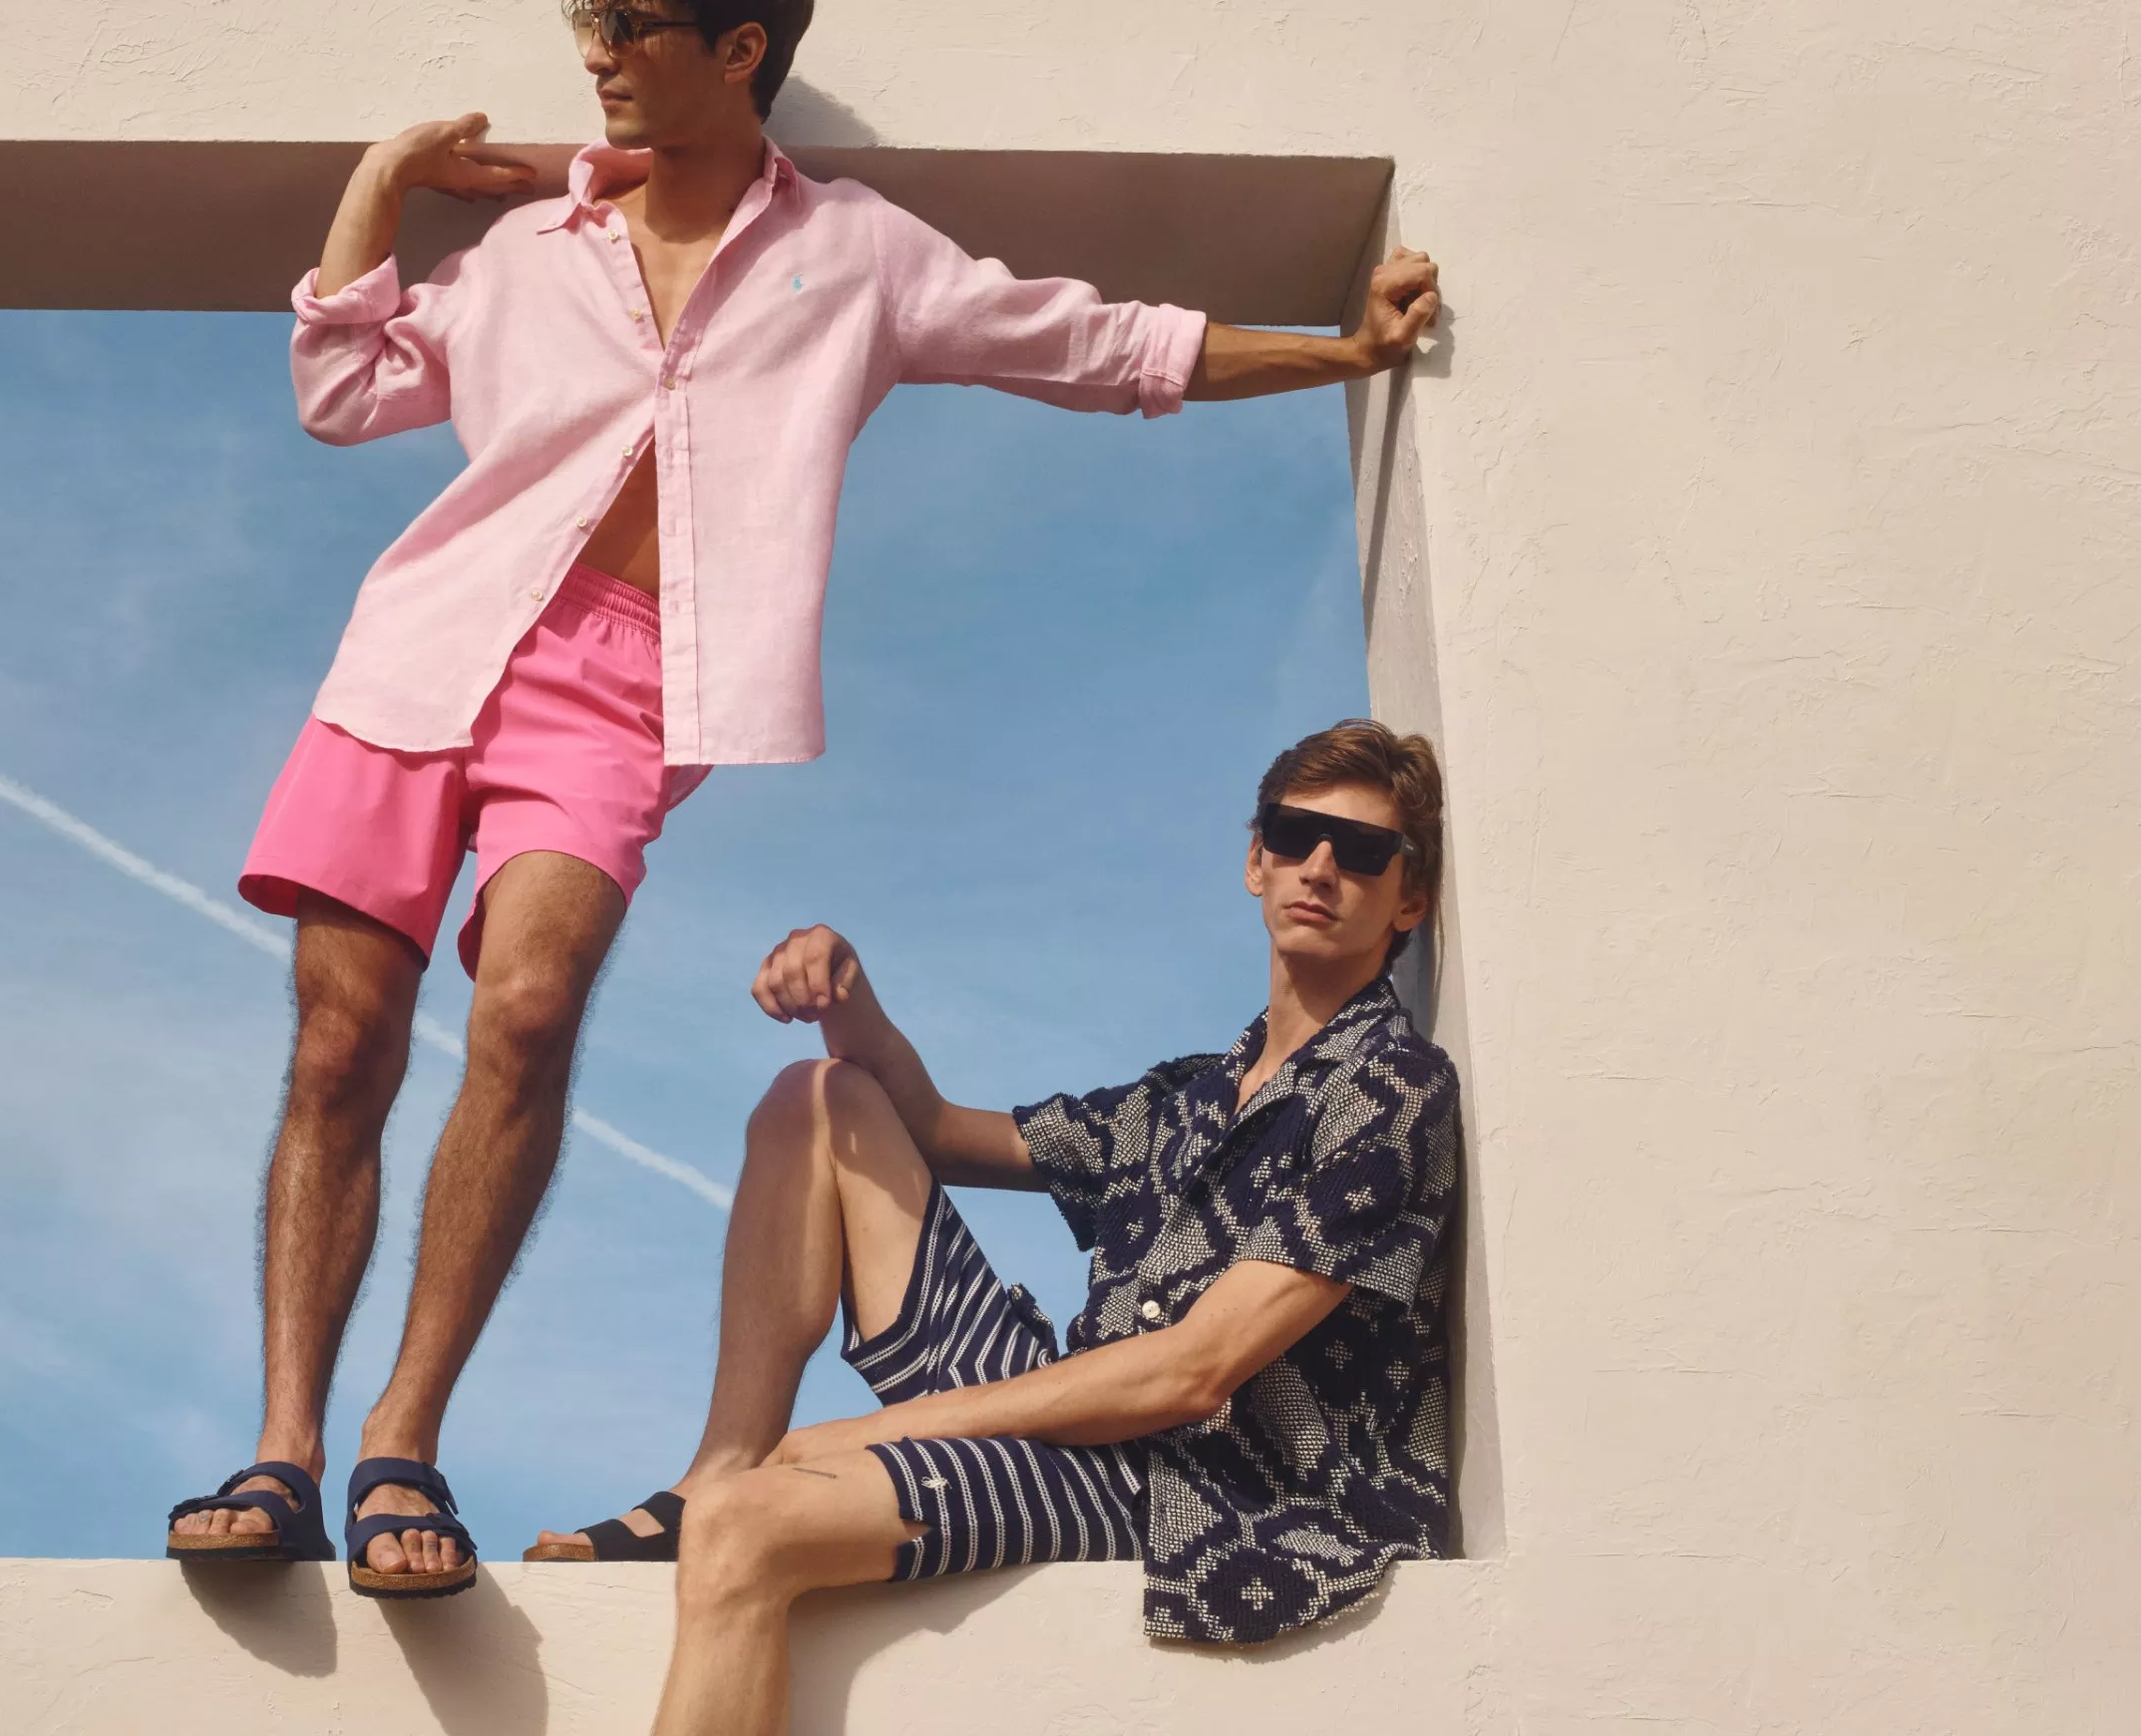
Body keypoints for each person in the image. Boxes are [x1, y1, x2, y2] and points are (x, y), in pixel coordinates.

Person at [159, 0, 1444, 1599]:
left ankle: (404, 1438)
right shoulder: (532, 247)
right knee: (341, 1045)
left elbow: (1099, 344)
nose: (598, 60)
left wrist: (1344, 350)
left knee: (528, 1011)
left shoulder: (857, 255)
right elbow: (342, 391)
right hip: (418, 649)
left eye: (632, 28)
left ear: (739, 48)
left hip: (626, 687)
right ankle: (287, 1450)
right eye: (593, 27)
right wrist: (382, 180)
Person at [541, 722, 1459, 1736]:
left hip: (1208, 1490)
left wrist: (879, 1429)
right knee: (819, 1097)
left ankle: (728, 1497)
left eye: (1361, 850)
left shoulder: (1391, 1089)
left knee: (749, 1526)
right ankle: (718, 1462)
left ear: (1408, 900)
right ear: (1257, 860)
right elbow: (936, 1132)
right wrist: (848, 997)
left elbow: (1194, 1372)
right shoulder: (1187, 1097)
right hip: (1085, 1425)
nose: (1320, 867)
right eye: (1293, 836)